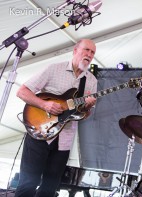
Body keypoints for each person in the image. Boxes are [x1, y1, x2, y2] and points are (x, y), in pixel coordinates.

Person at [14, 39, 98, 197]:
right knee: (28, 184)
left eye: (92, 52)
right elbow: (22, 92)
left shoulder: (91, 81)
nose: (89, 54)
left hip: (64, 140)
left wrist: (87, 107)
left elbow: (85, 115)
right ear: (75, 50)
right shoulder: (54, 69)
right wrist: (44, 105)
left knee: (50, 188)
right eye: (86, 50)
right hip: (39, 132)